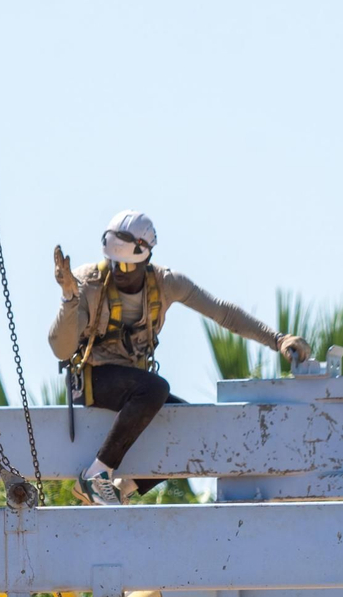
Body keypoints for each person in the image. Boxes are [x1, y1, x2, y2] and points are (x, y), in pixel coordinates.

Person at [49, 211, 311, 505]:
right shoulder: (89, 283)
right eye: (114, 263)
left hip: (133, 386)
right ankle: (97, 477)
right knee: (155, 388)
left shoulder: (166, 283)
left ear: (145, 258)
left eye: (126, 264)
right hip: (92, 379)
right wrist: (69, 298)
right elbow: (61, 348)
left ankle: (122, 489)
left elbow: (222, 312)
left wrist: (277, 340)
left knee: (191, 429)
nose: (119, 271)